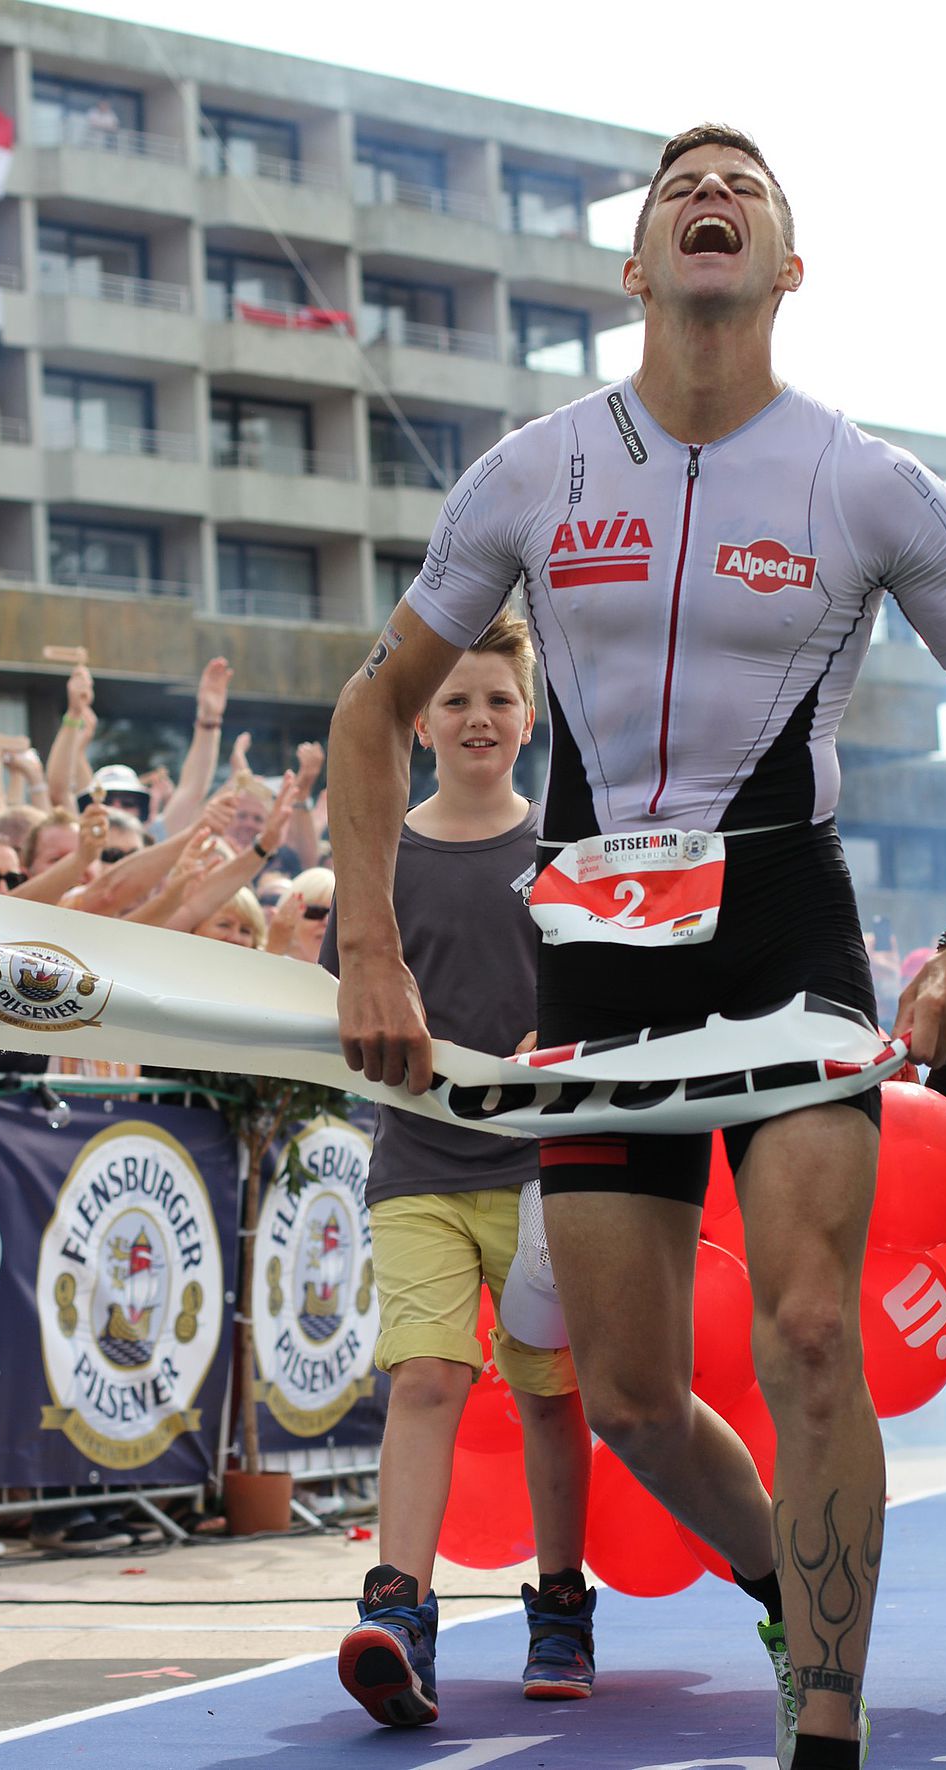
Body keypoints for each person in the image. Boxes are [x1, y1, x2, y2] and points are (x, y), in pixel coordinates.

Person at [326, 123, 946, 1770]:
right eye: (681, 181)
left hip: (785, 922)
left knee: (810, 1323)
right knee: (626, 1401)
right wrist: (368, 949)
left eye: (743, 180)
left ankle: (827, 1721)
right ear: (637, 265)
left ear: (789, 265)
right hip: (596, 942)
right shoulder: (535, 471)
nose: (711, 189)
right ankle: (774, 1575)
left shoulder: (868, 480)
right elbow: (369, 704)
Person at [326, 610, 594, 1728]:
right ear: (417, 720)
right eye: (454, 700)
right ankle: (398, 1609)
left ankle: (560, 1603)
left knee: (548, 1399)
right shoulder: (379, 857)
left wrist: (564, 1043)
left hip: (547, 1171)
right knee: (426, 1379)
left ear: (527, 719)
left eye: (496, 699)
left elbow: (606, 1002)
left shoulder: (563, 857)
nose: (476, 717)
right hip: (418, 1168)